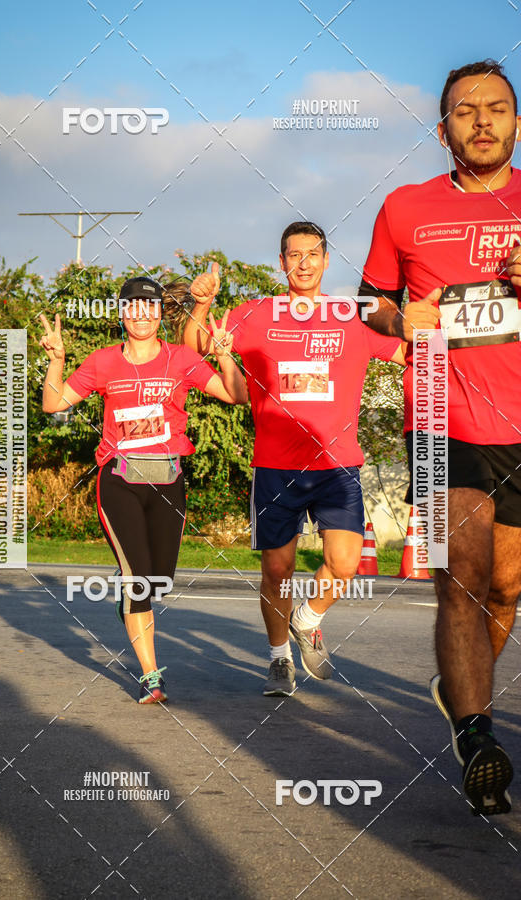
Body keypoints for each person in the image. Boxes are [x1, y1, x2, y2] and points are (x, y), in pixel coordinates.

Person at [359, 60, 521, 816]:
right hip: (442, 416)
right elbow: (368, 306)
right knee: (460, 572)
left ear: (516, 122)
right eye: (465, 111)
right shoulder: (404, 207)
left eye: (496, 108)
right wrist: (400, 319)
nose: (482, 120)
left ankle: (458, 687)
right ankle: (478, 736)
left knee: (506, 584)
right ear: (444, 128)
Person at [184, 223, 403, 696]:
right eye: (293, 254)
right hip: (276, 467)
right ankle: (279, 658)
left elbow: (409, 349)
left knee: (344, 564)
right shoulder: (258, 314)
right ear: (281, 262)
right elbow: (195, 345)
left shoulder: (354, 317)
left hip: (337, 464)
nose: (303, 262)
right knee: (277, 570)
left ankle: (308, 618)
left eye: (312, 254)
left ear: (326, 261)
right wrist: (201, 304)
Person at [40, 276, 247, 704]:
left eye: (148, 307)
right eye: (131, 307)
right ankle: (151, 675)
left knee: (158, 581)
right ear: (121, 314)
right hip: (119, 480)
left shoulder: (183, 358)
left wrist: (226, 357)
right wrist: (57, 360)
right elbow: (54, 403)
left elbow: (234, 394)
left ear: (159, 313)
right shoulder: (102, 362)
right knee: (138, 581)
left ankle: (131, 589)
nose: (140, 315)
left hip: (168, 479)